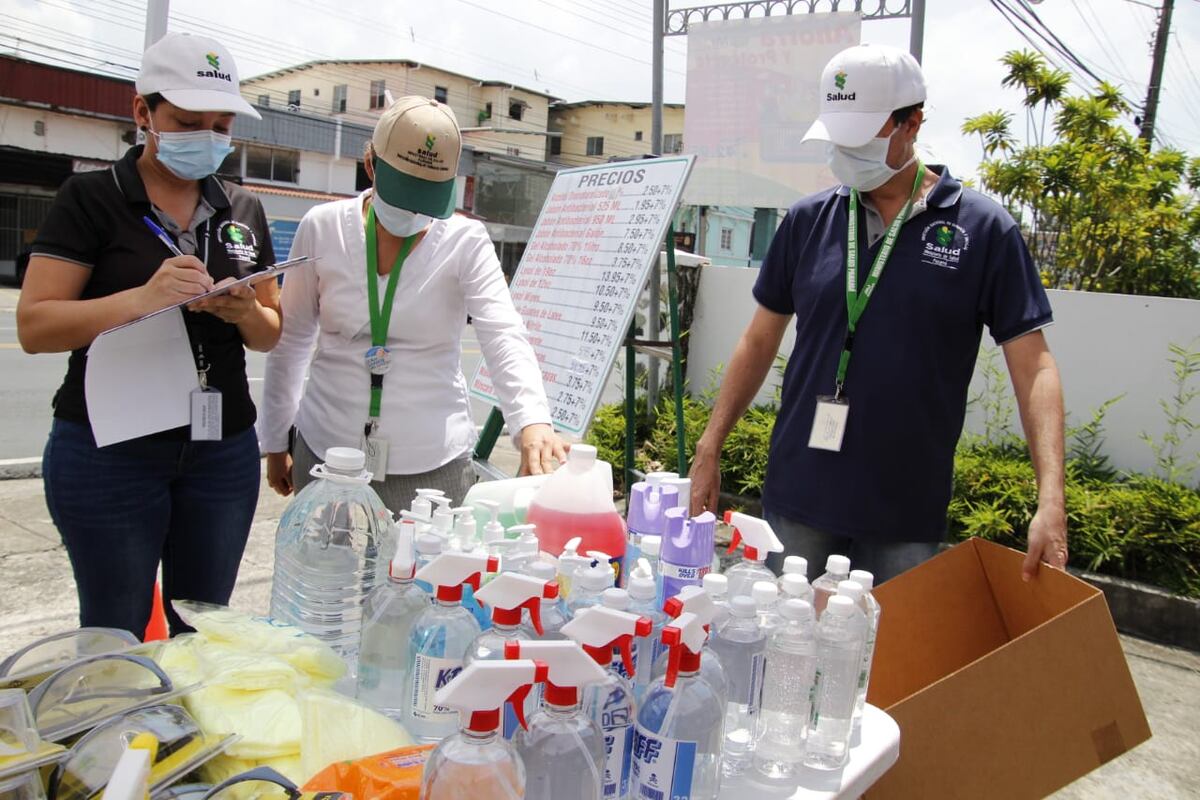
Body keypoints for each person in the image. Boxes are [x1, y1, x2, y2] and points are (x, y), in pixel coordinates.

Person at [689, 44, 1068, 583]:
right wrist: (710, 445)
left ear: (912, 123)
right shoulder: (808, 220)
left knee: (881, 660)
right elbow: (758, 341)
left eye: (862, 134)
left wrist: (1050, 497)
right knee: (778, 652)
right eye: (838, 134)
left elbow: (1035, 367)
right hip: (799, 495)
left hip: (903, 511)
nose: (846, 148)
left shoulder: (982, 230)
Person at [16, 33, 280, 636]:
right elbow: (35, 325)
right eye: (188, 122)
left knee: (204, 628)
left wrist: (240, 312)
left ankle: (186, 728)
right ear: (143, 113)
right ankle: (120, 727)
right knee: (116, 628)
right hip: (111, 450)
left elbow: (269, 333)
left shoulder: (243, 208)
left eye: (221, 125)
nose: (208, 139)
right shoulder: (91, 200)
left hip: (220, 449)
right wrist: (143, 299)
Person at [260, 96, 563, 512]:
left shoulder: (465, 240)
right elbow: (292, 339)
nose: (414, 211)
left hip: (430, 467)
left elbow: (502, 332)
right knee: (328, 574)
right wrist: (276, 439)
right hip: (329, 453)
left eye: (427, 196)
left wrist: (531, 420)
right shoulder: (323, 227)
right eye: (404, 192)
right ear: (371, 165)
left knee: (424, 576)